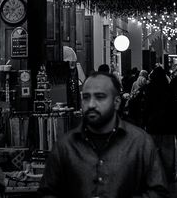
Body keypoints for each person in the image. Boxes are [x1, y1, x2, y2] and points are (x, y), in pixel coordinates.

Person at [39, 71, 168, 197]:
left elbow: (158, 191)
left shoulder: (139, 143)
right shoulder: (65, 147)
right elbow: (48, 191)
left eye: (100, 97)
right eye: (86, 97)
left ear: (116, 102)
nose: (91, 104)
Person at [141, 65, 177, 184]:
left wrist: (144, 122)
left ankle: (155, 176)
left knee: (153, 152)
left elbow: (146, 107)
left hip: (153, 124)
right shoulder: (170, 89)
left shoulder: (149, 89)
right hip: (168, 125)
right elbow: (175, 107)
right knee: (168, 153)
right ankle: (168, 176)